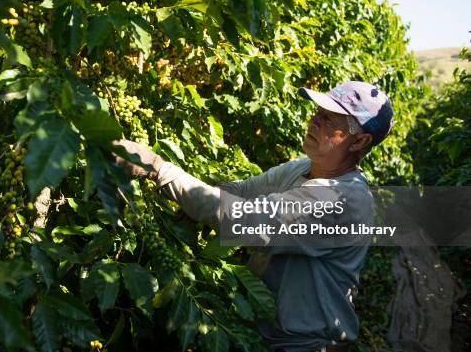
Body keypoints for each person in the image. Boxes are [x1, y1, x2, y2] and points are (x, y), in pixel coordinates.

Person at [113, 81, 395, 352]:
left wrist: (159, 169)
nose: (315, 121)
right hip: (268, 334)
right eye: (318, 113)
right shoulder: (302, 168)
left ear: (359, 141)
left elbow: (243, 219)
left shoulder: (342, 199)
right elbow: (241, 190)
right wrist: (193, 202)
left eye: (330, 120)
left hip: (304, 345)